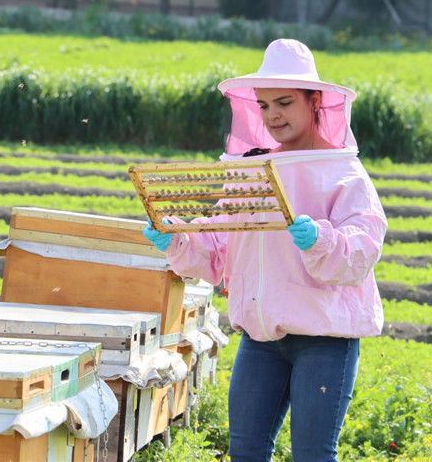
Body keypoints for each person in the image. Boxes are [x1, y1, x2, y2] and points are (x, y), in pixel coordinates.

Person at [143, 38, 387, 461]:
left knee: (313, 454)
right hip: (261, 338)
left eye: (284, 103)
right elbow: (221, 247)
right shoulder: (253, 168)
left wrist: (324, 239)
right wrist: (179, 239)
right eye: (264, 105)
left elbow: (362, 251)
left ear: (315, 102)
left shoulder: (343, 171)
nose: (273, 115)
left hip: (324, 339)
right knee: (246, 452)